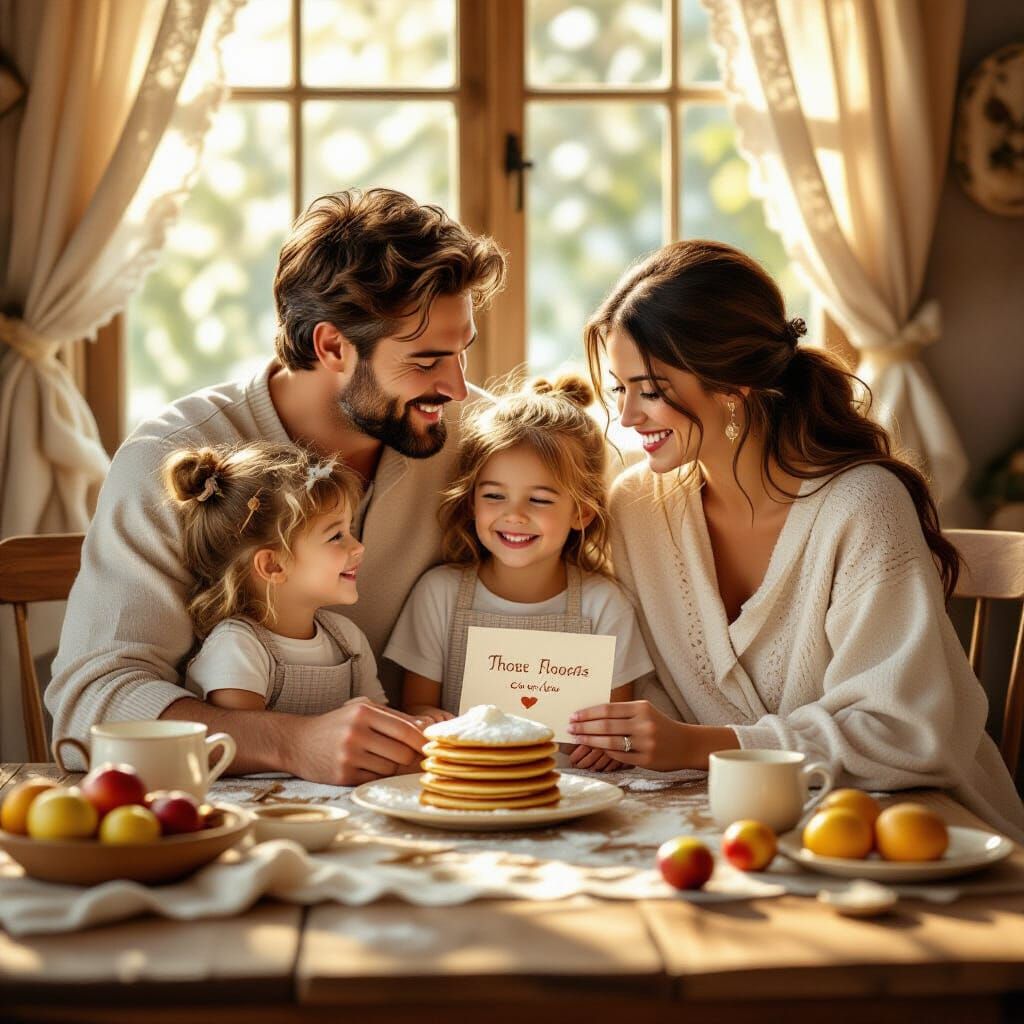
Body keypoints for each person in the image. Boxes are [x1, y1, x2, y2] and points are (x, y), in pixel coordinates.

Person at [47, 188, 507, 786]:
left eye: (461, 354)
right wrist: (291, 744)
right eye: (425, 361)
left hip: (434, 804)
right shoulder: (168, 457)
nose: (458, 389)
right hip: (230, 822)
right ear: (331, 345)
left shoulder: (479, 440)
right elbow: (93, 702)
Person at [568, 239, 1024, 838]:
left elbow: (906, 733)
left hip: (910, 826)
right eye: (620, 388)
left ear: (732, 385)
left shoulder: (860, 505)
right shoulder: (637, 508)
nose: (627, 417)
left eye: (650, 389)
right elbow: (644, 684)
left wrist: (702, 744)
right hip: (726, 823)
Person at [384, 374, 655, 772]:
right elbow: (418, 707)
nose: (514, 515)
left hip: (574, 787)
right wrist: (430, 722)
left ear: (581, 511)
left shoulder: (605, 605)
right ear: (472, 501)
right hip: (467, 784)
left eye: (540, 499)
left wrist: (612, 744)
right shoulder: (438, 594)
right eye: (494, 495)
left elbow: (617, 723)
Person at [164, 441, 387, 714]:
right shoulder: (237, 648)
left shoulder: (349, 641)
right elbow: (250, 745)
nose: (358, 547)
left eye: (349, 529)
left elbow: (382, 721)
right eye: (336, 536)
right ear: (272, 566)